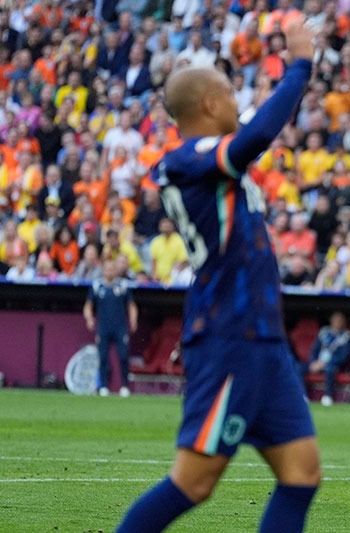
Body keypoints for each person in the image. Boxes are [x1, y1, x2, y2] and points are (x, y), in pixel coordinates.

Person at [116, 19, 321, 533]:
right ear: (209, 104)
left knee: (301, 473)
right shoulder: (187, 160)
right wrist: (299, 67)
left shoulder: (206, 162)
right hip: (230, 335)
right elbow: (253, 137)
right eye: (230, 93)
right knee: (194, 481)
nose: (237, 103)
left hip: (261, 338)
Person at [82, 258, 138, 397]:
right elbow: (88, 305)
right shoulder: (97, 286)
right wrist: (89, 318)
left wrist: (133, 319)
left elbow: (131, 305)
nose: (110, 271)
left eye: (112, 269)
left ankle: (124, 386)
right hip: (103, 327)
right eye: (107, 269)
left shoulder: (123, 286)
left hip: (120, 327)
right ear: (103, 270)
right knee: (103, 357)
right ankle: (103, 387)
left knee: (124, 356)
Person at [305, 311, 350, 407]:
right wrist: (313, 362)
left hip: (334, 364)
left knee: (330, 369)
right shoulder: (323, 333)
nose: (338, 323)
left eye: (340, 321)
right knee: (299, 368)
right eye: (336, 320)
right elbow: (314, 349)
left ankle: (328, 396)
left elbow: (344, 356)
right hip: (318, 362)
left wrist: (325, 363)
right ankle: (303, 395)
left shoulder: (346, 336)